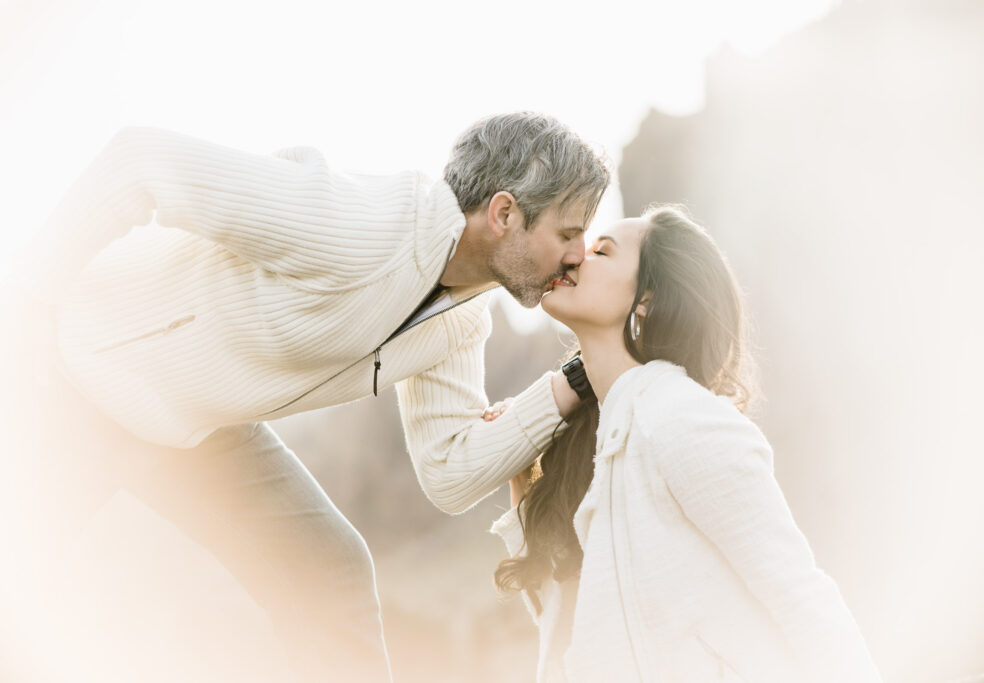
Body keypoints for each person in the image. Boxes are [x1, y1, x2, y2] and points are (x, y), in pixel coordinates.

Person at [3, 112, 608, 682]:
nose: (579, 254)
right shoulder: (360, 220)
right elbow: (138, 162)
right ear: (504, 213)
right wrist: (27, 315)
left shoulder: (460, 323)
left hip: (200, 423)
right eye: (569, 232)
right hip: (82, 379)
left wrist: (576, 380)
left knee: (332, 574)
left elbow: (448, 472)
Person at [485, 205, 883, 682]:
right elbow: (577, 630)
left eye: (600, 252)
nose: (573, 259)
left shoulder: (681, 415)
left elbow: (796, 590)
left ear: (647, 299)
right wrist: (522, 478)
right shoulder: (597, 441)